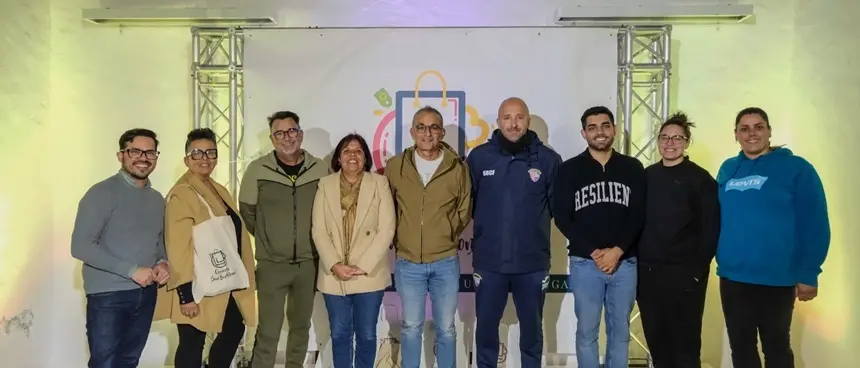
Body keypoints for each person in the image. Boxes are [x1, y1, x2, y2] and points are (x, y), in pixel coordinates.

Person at [716, 107, 830, 368]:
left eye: (758, 127)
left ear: (769, 131)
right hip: (733, 277)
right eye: (744, 129)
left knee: (776, 347)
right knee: (741, 347)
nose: (751, 134)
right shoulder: (728, 169)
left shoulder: (796, 168)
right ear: (735, 135)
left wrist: (809, 272)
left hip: (777, 277)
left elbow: (814, 222)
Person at [467, 97, 561, 368]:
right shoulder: (479, 157)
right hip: (489, 262)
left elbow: (556, 208)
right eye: (507, 118)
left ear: (528, 121)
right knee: (486, 330)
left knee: (532, 332)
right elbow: (468, 205)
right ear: (497, 123)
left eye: (519, 117)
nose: (513, 123)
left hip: (532, 264)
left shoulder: (547, 159)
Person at [552, 106, 646, 368]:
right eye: (592, 128)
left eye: (605, 126)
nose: (600, 132)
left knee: (620, 334)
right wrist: (594, 251)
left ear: (614, 129)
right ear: (584, 133)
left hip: (625, 263)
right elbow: (562, 217)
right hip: (585, 263)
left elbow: (638, 214)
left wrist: (617, 251)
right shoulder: (570, 169)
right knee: (586, 333)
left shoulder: (633, 167)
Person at [155, 128, 258, 368]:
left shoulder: (218, 189)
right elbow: (177, 246)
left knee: (232, 328)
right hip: (195, 284)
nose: (204, 158)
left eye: (210, 152)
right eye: (197, 153)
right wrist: (185, 295)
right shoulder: (181, 193)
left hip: (222, 280)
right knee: (192, 340)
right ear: (186, 159)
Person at [70, 128, 170, 368]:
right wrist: (131, 270)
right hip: (108, 296)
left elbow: (157, 241)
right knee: (105, 364)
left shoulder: (156, 198)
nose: (143, 157)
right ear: (121, 155)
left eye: (150, 152)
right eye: (135, 151)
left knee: (129, 362)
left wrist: (162, 262)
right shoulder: (101, 193)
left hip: (146, 294)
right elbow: (80, 245)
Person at [239, 111, 329, 368]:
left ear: (300, 134)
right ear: (272, 138)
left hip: (308, 263)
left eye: (291, 131)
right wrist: (270, 240)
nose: (286, 138)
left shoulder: (320, 168)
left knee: (301, 327)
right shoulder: (257, 170)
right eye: (279, 133)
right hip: (271, 265)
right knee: (268, 329)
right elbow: (248, 212)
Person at [385, 106, 472, 368]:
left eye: (434, 127)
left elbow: (464, 208)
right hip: (408, 262)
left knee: (446, 328)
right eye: (421, 127)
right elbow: (388, 208)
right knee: (411, 327)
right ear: (412, 132)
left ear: (442, 132)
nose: (427, 133)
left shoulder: (457, 167)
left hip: (445, 261)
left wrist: (445, 233)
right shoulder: (395, 166)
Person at [636, 113, 720, 368]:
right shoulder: (646, 176)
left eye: (676, 138)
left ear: (687, 142)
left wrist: (696, 272)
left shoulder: (701, 179)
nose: (670, 142)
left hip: (685, 276)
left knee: (685, 346)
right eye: (664, 137)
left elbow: (711, 229)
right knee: (658, 344)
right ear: (658, 141)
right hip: (649, 275)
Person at [311, 133, 396, 368]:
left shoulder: (380, 183)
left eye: (358, 151)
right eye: (347, 151)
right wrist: (335, 264)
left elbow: (387, 228)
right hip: (333, 274)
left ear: (365, 158)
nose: (352, 155)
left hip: (368, 274)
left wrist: (363, 265)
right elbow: (318, 230)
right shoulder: (325, 185)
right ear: (338, 158)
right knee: (339, 335)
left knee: (367, 335)